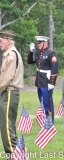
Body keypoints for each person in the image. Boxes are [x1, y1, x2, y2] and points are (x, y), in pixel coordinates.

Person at [0, 30, 24, 158]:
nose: (0, 43)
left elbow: (6, 78)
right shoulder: (9, 55)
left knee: (7, 127)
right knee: (7, 125)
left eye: (1, 40)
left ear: (9, 40)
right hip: (7, 92)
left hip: (9, 92)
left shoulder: (12, 55)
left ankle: (14, 155)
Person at [27, 36, 58, 124]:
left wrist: (52, 82)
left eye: (40, 43)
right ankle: (44, 118)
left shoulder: (51, 53)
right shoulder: (37, 53)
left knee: (48, 101)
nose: (38, 45)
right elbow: (30, 62)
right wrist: (31, 51)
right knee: (41, 101)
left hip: (47, 81)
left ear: (45, 43)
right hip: (39, 80)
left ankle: (50, 121)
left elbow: (54, 69)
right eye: (37, 43)